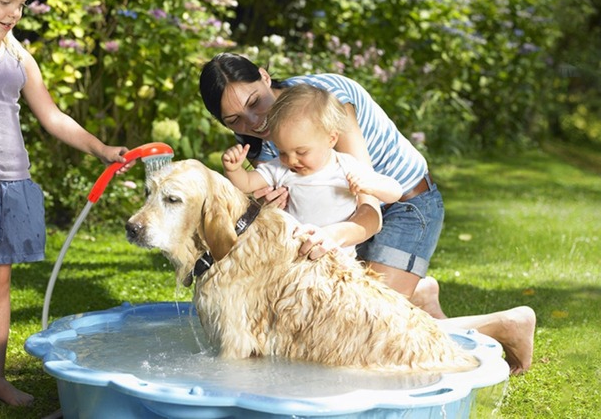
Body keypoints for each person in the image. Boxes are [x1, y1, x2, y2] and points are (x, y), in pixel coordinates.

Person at [200, 52, 535, 375]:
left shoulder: (324, 104)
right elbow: (284, 197)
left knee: (368, 329)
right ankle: (417, 293)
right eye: (235, 120)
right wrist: (271, 206)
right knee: (336, 318)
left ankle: (505, 324)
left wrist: (331, 236)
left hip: (402, 203)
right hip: (342, 220)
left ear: (265, 76)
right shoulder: (261, 141)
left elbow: (369, 206)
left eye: (254, 102)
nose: (254, 122)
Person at [0, 0, 130, 417]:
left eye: (20, 3)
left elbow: (53, 116)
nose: (14, 12)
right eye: (5, 1)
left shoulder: (19, 57)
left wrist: (101, 149)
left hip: (11, 185)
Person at [222, 83, 402, 257]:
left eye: (301, 151)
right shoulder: (281, 168)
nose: (291, 160)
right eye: (283, 151)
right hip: (292, 255)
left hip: (335, 255)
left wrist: (371, 185)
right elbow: (246, 183)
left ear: (331, 139)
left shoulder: (346, 166)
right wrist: (233, 169)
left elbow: (395, 192)